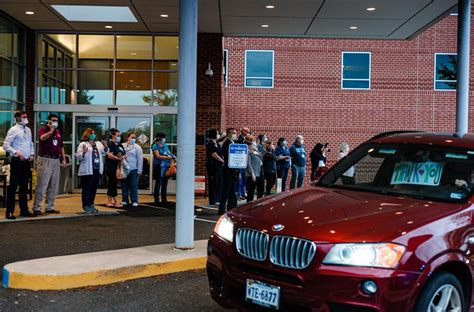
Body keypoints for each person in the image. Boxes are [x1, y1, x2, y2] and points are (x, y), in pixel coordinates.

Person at [32, 114, 66, 216]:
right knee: (42, 184)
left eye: (56, 120)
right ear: (49, 121)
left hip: (56, 160)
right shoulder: (43, 130)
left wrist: (63, 158)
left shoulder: (58, 132)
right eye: (53, 120)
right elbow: (42, 138)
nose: (55, 122)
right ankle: (36, 207)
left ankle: (50, 206)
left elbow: (61, 146)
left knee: (53, 185)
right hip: (45, 159)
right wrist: (50, 131)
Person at [3, 111, 35, 219]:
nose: (26, 119)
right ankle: (9, 212)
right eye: (23, 117)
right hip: (17, 161)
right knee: (13, 187)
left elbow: (30, 143)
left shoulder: (28, 130)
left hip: (26, 161)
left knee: (24, 187)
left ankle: (24, 210)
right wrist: (16, 152)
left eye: (26, 117)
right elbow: (6, 145)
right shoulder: (13, 130)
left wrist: (31, 154)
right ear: (17, 118)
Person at [76, 128, 105, 214]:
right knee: (87, 188)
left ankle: (91, 204)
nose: (93, 135)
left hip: (97, 169)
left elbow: (105, 152)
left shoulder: (98, 143)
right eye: (91, 133)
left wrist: (106, 146)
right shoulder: (83, 144)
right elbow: (78, 157)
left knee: (93, 188)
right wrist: (84, 152)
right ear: (87, 134)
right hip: (88, 170)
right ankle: (86, 206)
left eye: (94, 133)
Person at [218, 128, 239, 215]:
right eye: (233, 133)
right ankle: (222, 209)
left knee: (232, 190)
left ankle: (232, 207)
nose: (235, 135)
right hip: (228, 170)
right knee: (226, 190)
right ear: (228, 134)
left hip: (233, 170)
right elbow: (228, 156)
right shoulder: (227, 143)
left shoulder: (233, 143)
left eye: (235, 133)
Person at [151, 133, 175, 206]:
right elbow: (157, 156)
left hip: (165, 166)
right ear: (159, 138)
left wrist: (172, 157)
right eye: (163, 138)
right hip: (158, 166)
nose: (164, 139)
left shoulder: (165, 145)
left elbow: (169, 153)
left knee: (165, 183)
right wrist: (167, 157)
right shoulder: (155, 146)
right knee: (158, 183)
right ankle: (156, 200)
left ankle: (164, 199)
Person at [105, 129, 126, 207]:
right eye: (117, 135)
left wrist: (122, 157)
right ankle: (116, 201)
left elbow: (124, 154)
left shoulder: (120, 145)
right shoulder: (110, 144)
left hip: (118, 167)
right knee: (113, 184)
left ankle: (109, 201)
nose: (119, 137)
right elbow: (109, 155)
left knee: (112, 184)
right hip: (111, 167)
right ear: (113, 136)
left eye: (120, 135)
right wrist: (118, 158)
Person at [122, 133, 143, 207]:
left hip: (134, 168)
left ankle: (134, 200)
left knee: (133, 185)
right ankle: (124, 200)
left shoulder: (137, 147)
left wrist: (139, 170)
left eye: (135, 137)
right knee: (124, 185)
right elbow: (121, 156)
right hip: (124, 168)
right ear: (128, 138)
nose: (134, 139)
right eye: (132, 137)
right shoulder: (123, 145)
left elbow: (140, 159)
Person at [205, 129, 224, 205]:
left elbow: (220, 152)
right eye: (217, 133)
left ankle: (218, 198)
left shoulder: (217, 143)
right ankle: (213, 200)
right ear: (214, 134)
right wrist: (222, 160)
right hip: (213, 166)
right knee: (213, 183)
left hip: (218, 166)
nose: (218, 134)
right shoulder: (210, 144)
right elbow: (214, 154)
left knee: (219, 182)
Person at [245, 135, 264, 202]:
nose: (255, 142)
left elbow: (261, 156)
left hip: (259, 170)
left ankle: (259, 202)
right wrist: (252, 173)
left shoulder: (254, 148)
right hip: (253, 172)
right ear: (250, 141)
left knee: (261, 188)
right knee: (252, 189)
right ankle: (249, 204)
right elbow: (248, 163)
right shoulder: (247, 149)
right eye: (253, 141)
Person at [236, 127, 250, 200]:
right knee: (240, 178)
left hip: (245, 161)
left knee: (245, 178)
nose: (248, 133)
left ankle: (244, 192)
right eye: (247, 132)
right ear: (243, 132)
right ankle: (239, 193)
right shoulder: (239, 139)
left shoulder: (247, 139)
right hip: (240, 161)